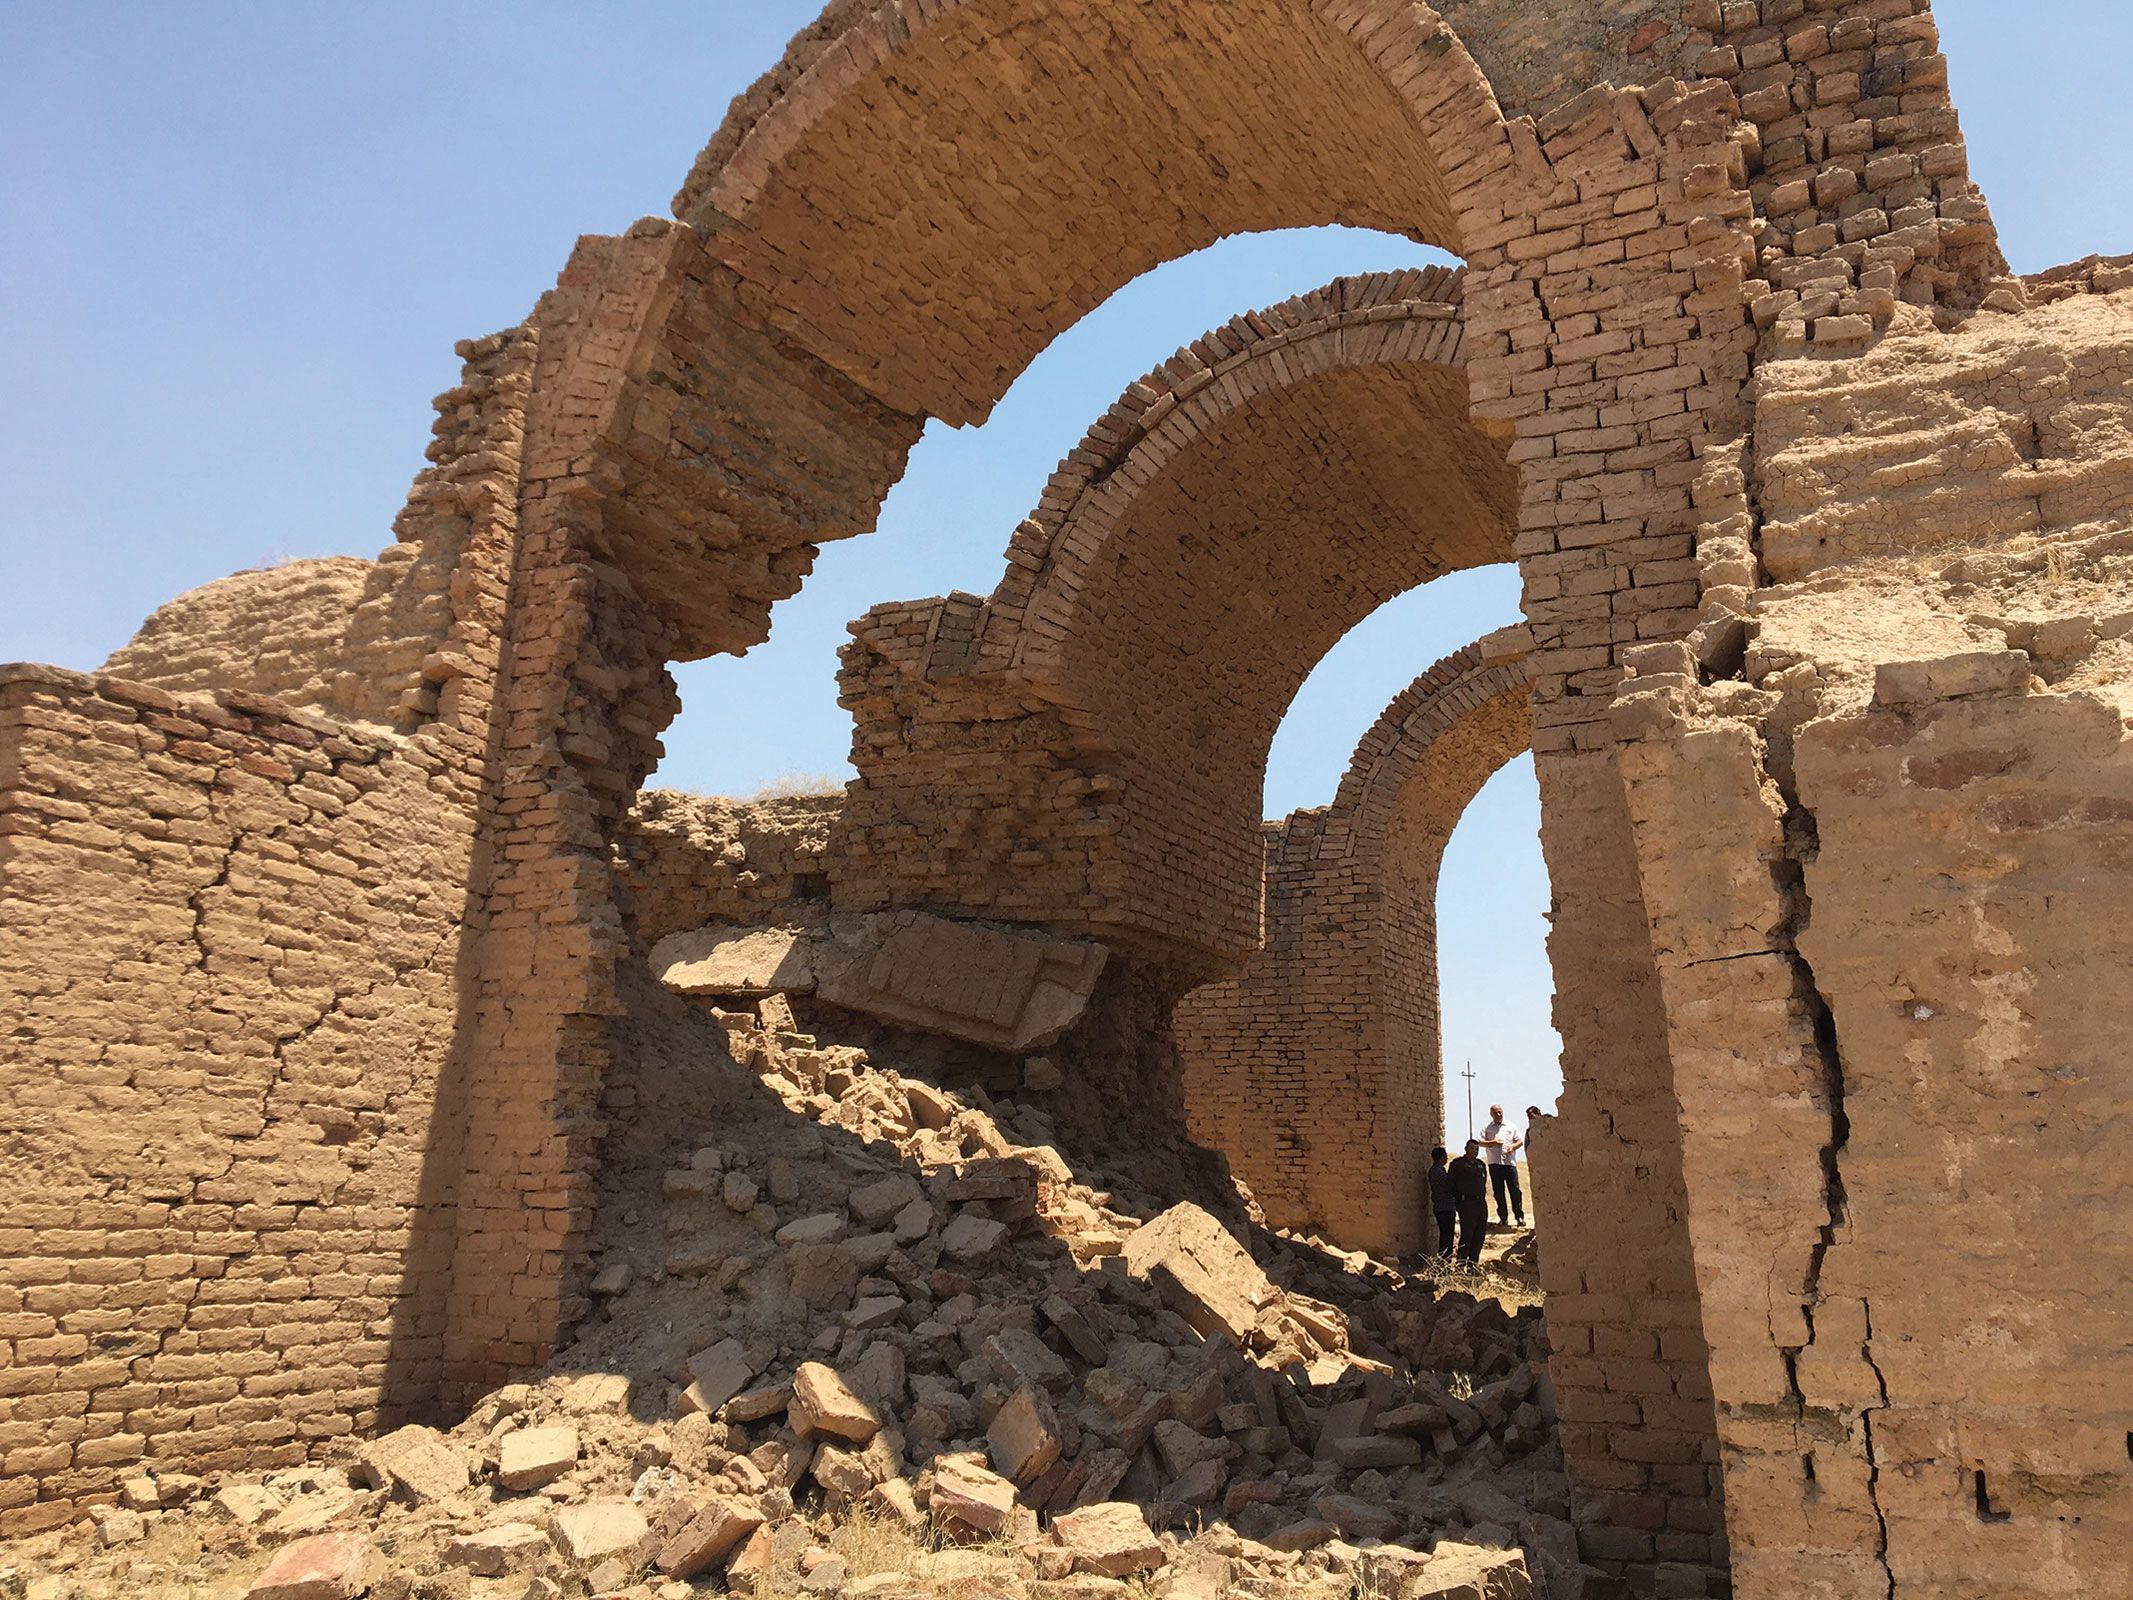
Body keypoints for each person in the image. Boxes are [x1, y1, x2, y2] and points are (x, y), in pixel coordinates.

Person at [1479, 1103, 1526, 1227]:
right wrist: (1492, 1142)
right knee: (1498, 1192)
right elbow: (1480, 1142)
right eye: (1496, 1113)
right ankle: (1503, 1218)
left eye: (1500, 1112)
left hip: (1509, 1163)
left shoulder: (1510, 1125)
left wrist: (1512, 1147)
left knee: (1515, 1190)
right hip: (1494, 1163)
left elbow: (1520, 1140)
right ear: (1491, 1114)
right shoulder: (1487, 1127)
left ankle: (1519, 1217)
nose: (1498, 1114)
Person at [1448, 1138, 1489, 1264]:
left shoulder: (1481, 1165)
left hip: (1480, 1203)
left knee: (1480, 1234)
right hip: (1466, 1204)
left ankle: (1473, 1263)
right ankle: (1461, 1263)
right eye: (1472, 1148)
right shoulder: (1458, 1164)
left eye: (1477, 1149)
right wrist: (1458, 1200)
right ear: (1466, 1149)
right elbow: (1451, 1183)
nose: (1474, 1151)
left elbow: (1484, 1182)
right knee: (1467, 1234)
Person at [1425, 1146, 1456, 1258]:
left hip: (1443, 1206)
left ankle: (1444, 1259)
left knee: (1446, 1236)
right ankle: (1444, 1260)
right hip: (1444, 1207)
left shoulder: (1437, 1170)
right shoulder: (1437, 1171)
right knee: (1446, 1236)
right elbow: (1445, 1186)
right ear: (1442, 1157)